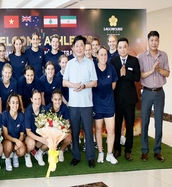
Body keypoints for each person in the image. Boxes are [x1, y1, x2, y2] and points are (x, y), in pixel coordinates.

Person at [63, 35, 97, 168]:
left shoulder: (90, 63)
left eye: (81, 46)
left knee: (88, 132)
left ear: (84, 47)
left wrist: (84, 86)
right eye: (76, 46)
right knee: (75, 132)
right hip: (73, 106)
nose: (79, 48)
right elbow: (64, 82)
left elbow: (94, 82)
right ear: (73, 48)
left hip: (87, 105)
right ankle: (76, 156)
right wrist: (74, 85)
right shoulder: (70, 64)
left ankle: (90, 157)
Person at [138, 31, 170, 162]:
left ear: (158, 41)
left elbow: (167, 73)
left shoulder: (163, 55)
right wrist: (152, 69)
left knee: (159, 123)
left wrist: (158, 69)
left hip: (159, 93)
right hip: (146, 92)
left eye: (156, 40)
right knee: (144, 122)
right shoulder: (141, 57)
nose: (154, 43)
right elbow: (140, 75)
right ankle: (144, 151)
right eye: (151, 40)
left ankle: (157, 150)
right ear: (148, 41)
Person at [110, 37, 140, 161]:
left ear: (128, 47)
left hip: (130, 99)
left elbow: (137, 77)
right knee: (117, 126)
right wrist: (119, 74)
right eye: (120, 47)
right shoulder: (113, 61)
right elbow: (112, 77)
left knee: (129, 124)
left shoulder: (134, 61)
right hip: (117, 99)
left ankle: (128, 150)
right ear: (117, 48)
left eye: (124, 47)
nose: (122, 49)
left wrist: (126, 74)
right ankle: (117, 149)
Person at [93, 46, 118, 164]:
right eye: (101, 55)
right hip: (97, 104)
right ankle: (101, 153)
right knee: (98, 129)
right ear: (97, 56)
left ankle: (109, 154)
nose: (103, 57)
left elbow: (113, 86)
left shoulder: (111, 68)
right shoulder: (93, 68)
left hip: (109, 104)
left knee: (111, 130)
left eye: (105, 55)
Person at [44, 89, 72, 162]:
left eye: (59, 99)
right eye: (55, 99)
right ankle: (44, 151)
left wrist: (64, 132)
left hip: (61, 131)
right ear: (52, 99)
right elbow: (46, 126)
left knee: (68, 137)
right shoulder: (48, 108)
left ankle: (61, 151)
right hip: (51, 132)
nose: (57, 101)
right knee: (46, 142)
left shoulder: (64, 108)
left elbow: (67, 124)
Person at [2, 93, 26, 171]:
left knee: (22, 151)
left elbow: (22, 134)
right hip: (8, 140)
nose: (15, 105)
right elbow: (5, 135)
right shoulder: (5, 115)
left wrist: (18, 143)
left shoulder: (21, 116)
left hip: (17, 139)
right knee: (8, 146)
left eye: (17, 102)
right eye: (13, 102)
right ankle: (7, 158)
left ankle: (15, 155)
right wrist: (15, 141)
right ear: (9, 103)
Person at [24, 90, 48, 167]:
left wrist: (43, 138)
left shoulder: (44, 109)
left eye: (39, 99)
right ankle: (27, 154)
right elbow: (28, 132)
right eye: (35, 99)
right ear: (31, 99)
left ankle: (39, 153)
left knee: (50, 139)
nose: (37, 101)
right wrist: (40, 139)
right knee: (31, 144)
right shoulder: (28, 111)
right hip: (31, 136)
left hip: (41, 135)